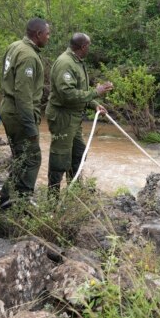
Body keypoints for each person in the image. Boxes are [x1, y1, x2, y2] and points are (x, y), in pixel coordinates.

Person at [45, 33, 113, 196]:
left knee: (78, 153)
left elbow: (79, 92)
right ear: (83, 47)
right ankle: (53, 198)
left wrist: (94, 105)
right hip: (62, 117)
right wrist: (96, 92)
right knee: (60, 158)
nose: (89, 49)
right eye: (88, 46)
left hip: (73, 117)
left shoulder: (77, 62)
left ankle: (74, 191)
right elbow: (67, 95)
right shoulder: (65, 63)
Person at [0, 18, 50, 209]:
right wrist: (30, 128)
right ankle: (22, 200)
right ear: (38, 34)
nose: (48, 37)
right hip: (19, 112)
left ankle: (7, 199)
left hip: (8, 108)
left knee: (20, 156)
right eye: (47, 33)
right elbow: (23, 94)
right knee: (32, 157)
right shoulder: (28, 56)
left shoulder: (15, 46)